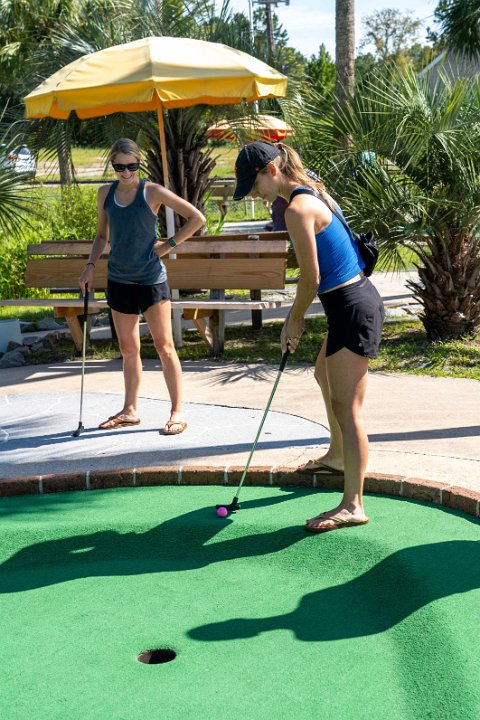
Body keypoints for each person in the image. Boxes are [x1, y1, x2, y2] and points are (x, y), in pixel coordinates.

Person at [233, 140, 385, 534]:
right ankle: (337, 457)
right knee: (323, 375)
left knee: (347, 408)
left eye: (254, 186)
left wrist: (293, 319)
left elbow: (311, 278)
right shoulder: (310, 188)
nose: (255, 195)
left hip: (352, 306)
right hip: (349, 303)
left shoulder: (297, 209)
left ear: (270, 170)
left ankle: (353, 504)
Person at [79, 138, 205, 434]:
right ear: (112, 165)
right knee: (128, 349)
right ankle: (130, 410)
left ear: (139, 164)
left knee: (164, 346)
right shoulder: (105, 194)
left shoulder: (152, 191)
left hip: (151, 279)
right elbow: (101, 236)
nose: (126, 172)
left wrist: (168, 245)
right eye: (119, 167)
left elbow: (196, 218)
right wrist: (89, 266)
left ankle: (177, 411)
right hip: (119, 279)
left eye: (132, 166)